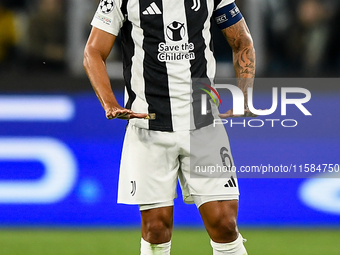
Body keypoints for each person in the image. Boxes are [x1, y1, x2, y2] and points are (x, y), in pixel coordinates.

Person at [84, 0, 256, 254]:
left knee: (225, 223)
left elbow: (242, 40)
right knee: (156, 229)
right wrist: (109, 103)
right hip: (148, 125)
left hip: (203, 124)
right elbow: (93, 51)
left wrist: (245, 95)